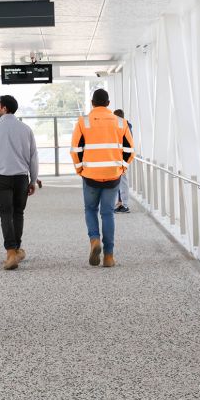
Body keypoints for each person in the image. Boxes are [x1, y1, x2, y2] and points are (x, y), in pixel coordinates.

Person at [71, 89, 133, 268]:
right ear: (108, 103)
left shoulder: (84, 121)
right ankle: (109, 256)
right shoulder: (120, 122)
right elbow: (130, 150)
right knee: (107, 213)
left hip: (90, 175)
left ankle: (94, 240)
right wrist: (122, 168)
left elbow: (76, 149)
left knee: (90, 209)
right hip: (113, 175)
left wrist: (80, 170)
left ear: (92, 102)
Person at [0, 95, 39, 271]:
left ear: (4, 108)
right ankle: (16, 248)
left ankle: (10, 252)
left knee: (5, 214)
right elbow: (33, 157)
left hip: (2, 177)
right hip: (21, 177)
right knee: (18, 213)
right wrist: (33, 179)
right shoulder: (26, 129)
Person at [113, 108, 133, 214]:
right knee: (119, 182)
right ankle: (120, 203)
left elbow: (128, 145)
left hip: (122, 159)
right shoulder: (124, 126)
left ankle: (124, 205)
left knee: (123, 181)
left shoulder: (125, 127)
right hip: (120, 158)